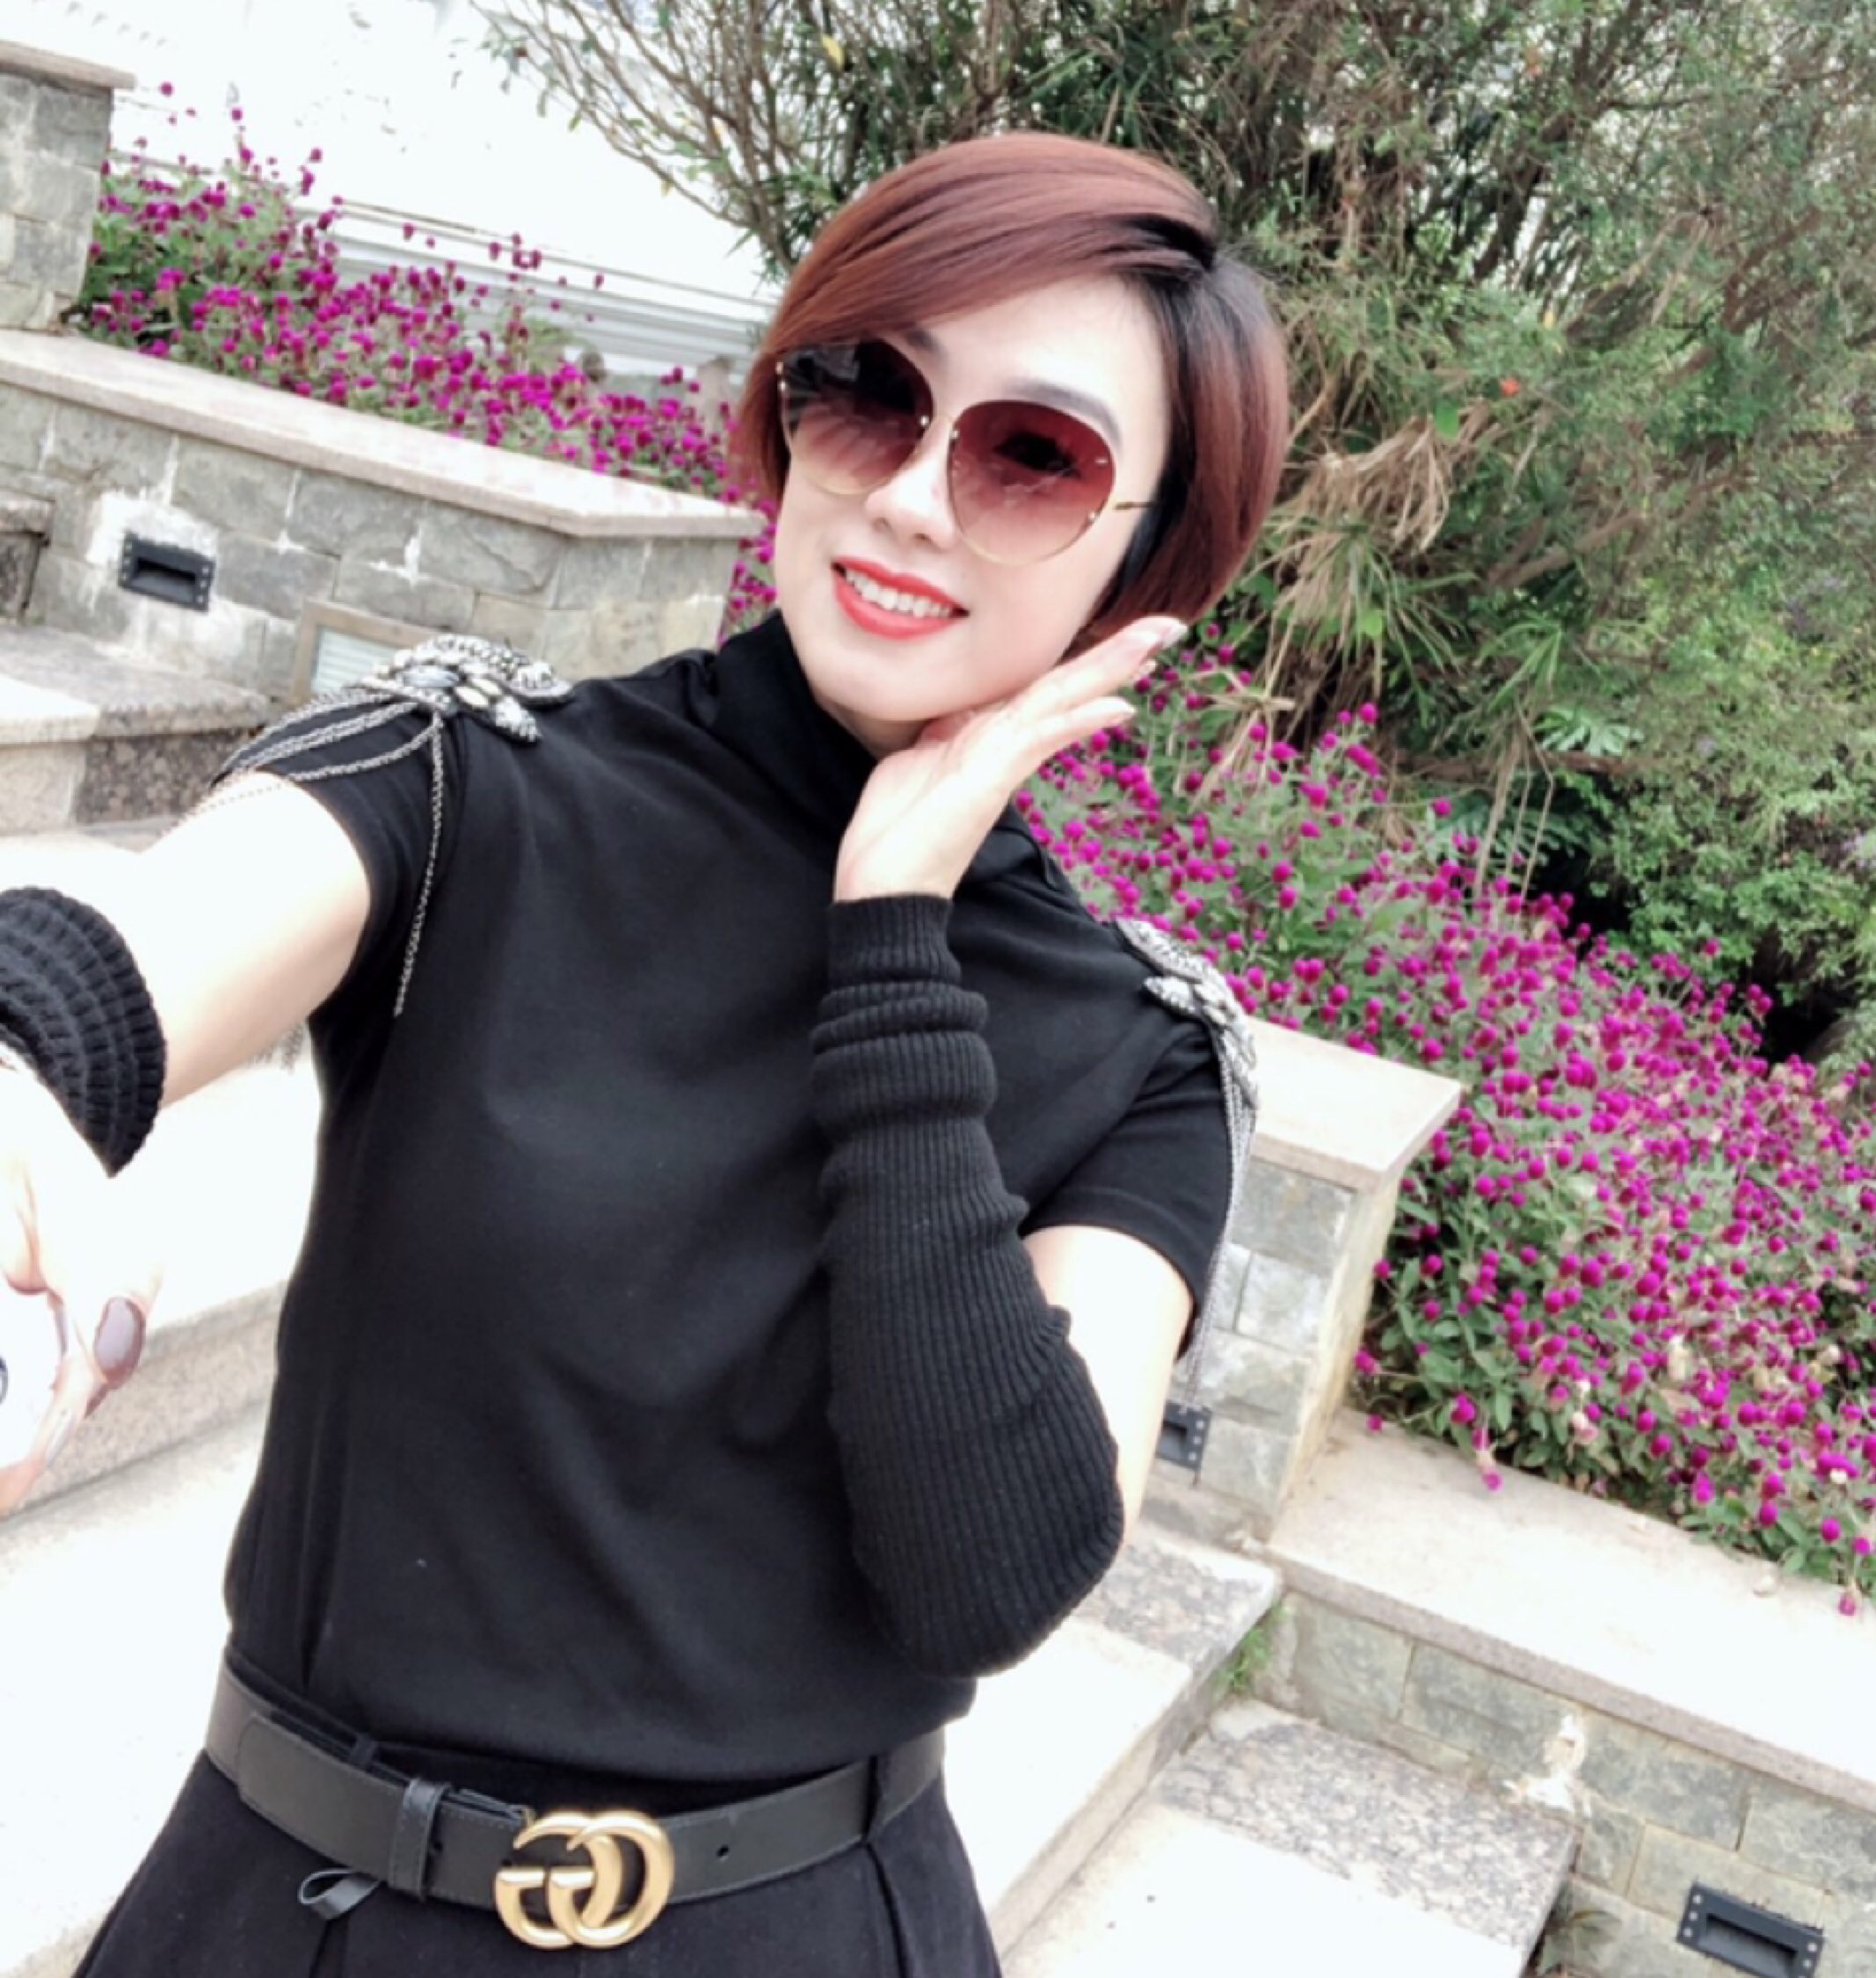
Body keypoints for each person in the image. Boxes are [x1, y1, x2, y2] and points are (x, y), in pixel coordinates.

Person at [5, 130, 1287, 1974]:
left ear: (1148, 554)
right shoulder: (472, 788)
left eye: (1031, 455)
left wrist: (894, 945)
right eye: (870, 390)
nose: (912, 498)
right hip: (300, 1920)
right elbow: (123, 961)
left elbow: (992, 1568)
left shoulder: (1133, 1049)